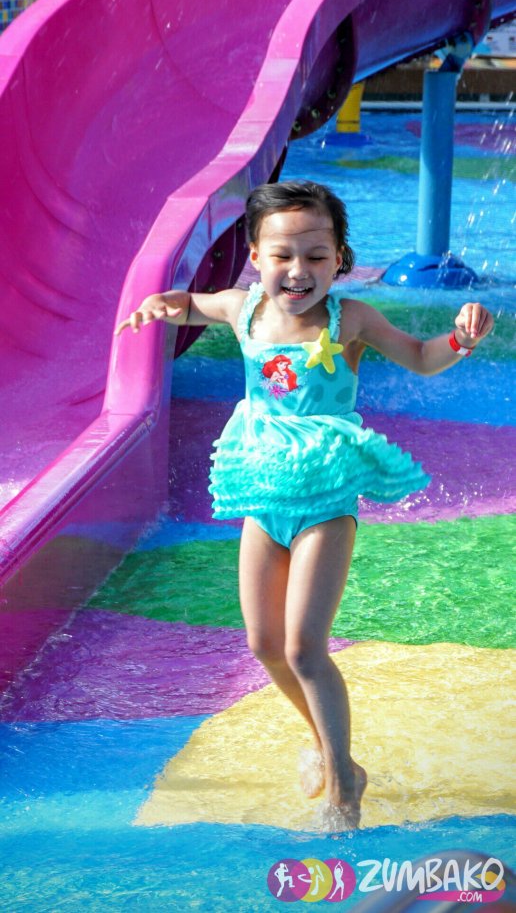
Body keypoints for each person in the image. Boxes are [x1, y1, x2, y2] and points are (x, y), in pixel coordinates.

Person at [115, 179, 493, 830]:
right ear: (255, 258)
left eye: (317, 256)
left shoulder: (351, 320)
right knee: (265, 643)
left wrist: (460, 338)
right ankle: (327, 744)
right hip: (263, 497)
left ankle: (343, 785)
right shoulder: (243, 309)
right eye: (282, 255)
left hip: (326, 501)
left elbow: (421, 357)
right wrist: (163, 305)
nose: (299, 271)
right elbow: (192, 304)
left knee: (305, 647)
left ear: (339, 258)